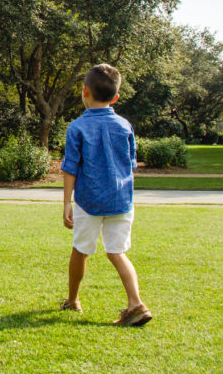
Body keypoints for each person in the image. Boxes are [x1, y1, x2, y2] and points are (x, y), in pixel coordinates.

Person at [60, 63, 152, 327]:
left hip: (89, 201)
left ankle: (73, 299)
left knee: (80, 250)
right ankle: (136, 303)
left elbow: (70, 168)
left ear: (84, 91)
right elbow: (130, 164)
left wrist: (67, 202)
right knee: (117, 252)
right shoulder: (125, 126)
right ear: (116, 97)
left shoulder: (76, 127)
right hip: (121, 200)